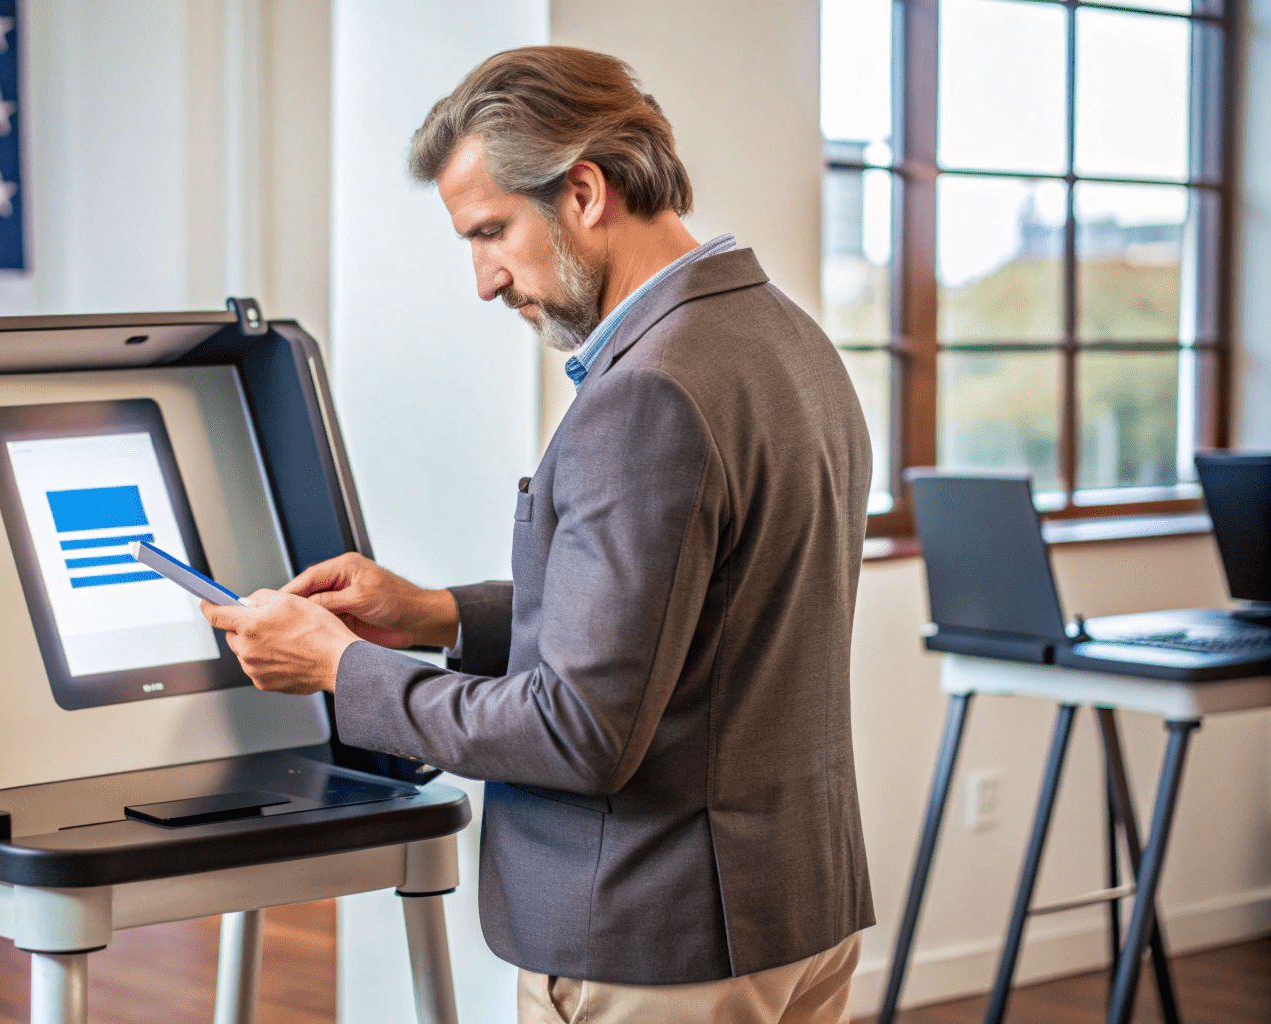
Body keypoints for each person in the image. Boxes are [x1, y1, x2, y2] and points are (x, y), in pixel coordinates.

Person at [201, 46, 874, 1024]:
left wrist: (341, 669)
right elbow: (685, 624)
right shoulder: (786, 339)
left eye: (490, 232)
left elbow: (580, 729)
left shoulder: (644, 394)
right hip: (795, 914)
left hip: (660, 943)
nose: (483, 280)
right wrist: (432, 613)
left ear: (584, 192)